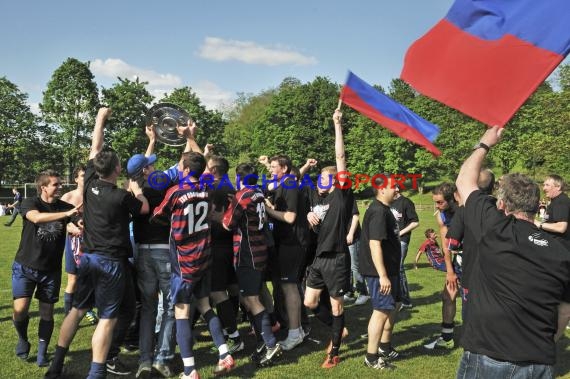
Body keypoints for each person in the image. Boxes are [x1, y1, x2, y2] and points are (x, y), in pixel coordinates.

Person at [455, 126, 570, 378]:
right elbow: (564, 310)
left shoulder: (496, 229)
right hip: (540, 363)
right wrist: (549, 340)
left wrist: (485, 143)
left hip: (490, 359)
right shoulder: (561, 253)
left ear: (502, 205)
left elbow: (464, 180)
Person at [44, 107, 149, 379]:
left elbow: (95, 146)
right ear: (117, 169)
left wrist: (100, 118)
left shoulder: (89, 184)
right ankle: (97, 372)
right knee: (107, 318)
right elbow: (144, 208)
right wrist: (136, 186)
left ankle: (56, 365)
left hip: (88, 259)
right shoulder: (121, 196)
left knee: (81, 310)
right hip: (111, 262)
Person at [151, 151, 235, 379]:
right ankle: (224, 352)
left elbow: (157, 214)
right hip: (204, 257)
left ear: (186, 170)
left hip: (184, 262)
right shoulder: (208, 189)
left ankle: (190, 370)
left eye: (181, 167)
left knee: (181, 312)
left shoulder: (176, 191)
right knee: (206, 306)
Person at [11, 170, 79, 367]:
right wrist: (67, 215)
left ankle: (42, 353)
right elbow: (36, 218)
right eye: (56, 185)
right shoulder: (30, 203)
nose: (60, 188)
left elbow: (76, 222)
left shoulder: (66, 207)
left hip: (50, 270)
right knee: (20, 310)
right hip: (25, 266)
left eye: (60, 184)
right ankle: (23, 339)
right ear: (44, 187)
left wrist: (77, 224)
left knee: (47, 313)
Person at [303, 109, 353, 368]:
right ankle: (338, 329)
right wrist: (310, 218)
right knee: (310, 302)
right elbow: (317, 224)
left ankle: (334, 352)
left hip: (337, 258)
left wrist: (337, 125)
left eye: (324, 177)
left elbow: (341, 156)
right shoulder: (320, 202)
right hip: (319, 258)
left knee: (336, 307)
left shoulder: (342, 195)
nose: (320, 181)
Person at [221, 163, 283, 367]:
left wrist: (227, 208)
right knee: (249, 300)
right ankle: (264, 341)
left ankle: (270, 343)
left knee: (252, 300)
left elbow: (227, 224)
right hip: (260, 250)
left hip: (248, 254)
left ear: (239, 178)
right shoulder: (257, 193)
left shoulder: (242, 196)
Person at [265, 154, 309, 352]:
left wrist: (268, 212)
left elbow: (290, 217)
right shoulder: (284, 184)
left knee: (290, 287)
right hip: (286, 242)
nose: (270, 169)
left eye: (274, 166)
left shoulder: (290, 183)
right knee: (287, 286)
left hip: (293, 242)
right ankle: (297, 329)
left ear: (283, 168)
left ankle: (294, 333)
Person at [358, 175, 400, 371]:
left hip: (388, 270)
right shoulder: (378, 212)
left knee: (390, 307)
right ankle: (371, 357)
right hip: (378, 273)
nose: (398, 189)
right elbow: (374, 244)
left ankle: (383, 348)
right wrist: (382, 275)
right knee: (381, 310)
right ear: (382, 189)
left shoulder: (383, 210)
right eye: (394, 186)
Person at [61, 165, 99, 325]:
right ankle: (68, 316)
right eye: (82, 175)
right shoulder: (67, 197)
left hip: (93, 242)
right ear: (76, 178)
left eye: (88, 175)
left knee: (94, 278)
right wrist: (69, 226)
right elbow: (58, 222)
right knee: (73, 279)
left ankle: (87, 307)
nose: (86, 178)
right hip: (72, 243)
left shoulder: (96, 195)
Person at [424, 182, 459, 350]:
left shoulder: (465, 209)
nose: (436, 206)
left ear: (452, 199)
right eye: (435, 202)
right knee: (448, 296)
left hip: (474, 259)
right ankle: (447, 338)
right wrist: (450, 271)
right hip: (458, 261)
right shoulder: (441, 215)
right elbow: (446, 245)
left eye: (439, 202)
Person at [389, 186, 419, 308]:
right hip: (389, 241)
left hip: (401, 240)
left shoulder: (406, 202)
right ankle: (395, 298)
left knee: (399, 268)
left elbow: (415, 222)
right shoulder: (389, 202)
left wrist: (400, 233)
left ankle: (405, 301)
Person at [537, 174, 570, 242]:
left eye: (547, 185)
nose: (544, 188)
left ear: (558, 187)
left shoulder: (561, 201)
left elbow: (561, 227)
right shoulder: (555, 201)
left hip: (560, 246)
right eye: (544, 185)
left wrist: (538, 224)